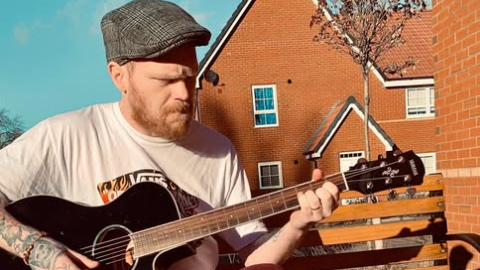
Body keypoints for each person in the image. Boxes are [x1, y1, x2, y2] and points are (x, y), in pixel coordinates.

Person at [0, 0, 339, 269]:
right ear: (119, 77)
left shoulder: (217, 151)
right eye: (166, 81)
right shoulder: (67, 136)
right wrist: (37, 249)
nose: (184, 93)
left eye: (190, 78)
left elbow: (253, 253)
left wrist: (299, 224)